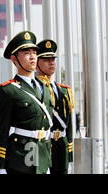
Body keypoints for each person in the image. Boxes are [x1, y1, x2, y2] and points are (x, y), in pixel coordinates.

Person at [0, 31, 53, 174]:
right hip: (21, 158)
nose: (32, 56)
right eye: (26, 53)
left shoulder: (44, 86)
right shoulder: (8, 91)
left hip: (43, 156)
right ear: (14, 59)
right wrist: (0, 167)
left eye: (34, 52)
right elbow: (1, 131)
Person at [36, 39, 74, 174]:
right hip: (42, 146)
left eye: (53, 58)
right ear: (36, 63)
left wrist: (69, 149)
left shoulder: (64, 90)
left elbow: (68, 124)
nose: (51, 62)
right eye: (46, 59)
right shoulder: (33, 90)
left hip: (61, 146)